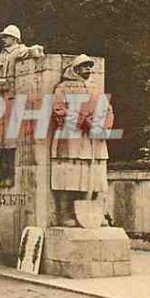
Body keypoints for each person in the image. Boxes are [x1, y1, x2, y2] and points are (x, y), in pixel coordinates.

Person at [50, 54, 114, 227]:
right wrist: (82, 121)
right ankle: (65, 213)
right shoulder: (63, 88)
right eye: (84, 66)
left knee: (96, 178)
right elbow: (58, 109)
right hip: (72, 138)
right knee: (69, 176)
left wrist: (102, 126)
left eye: (89, 66)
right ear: (76, 68)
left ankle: (95, 213)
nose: (88, 69)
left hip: (95, 139)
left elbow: (107, 110)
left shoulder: (95, 88)